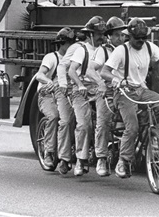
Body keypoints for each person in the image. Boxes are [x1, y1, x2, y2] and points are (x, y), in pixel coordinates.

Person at [101, 18, 159, 179]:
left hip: (141, 90)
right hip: (123, 92)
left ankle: (147, 132)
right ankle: (123, 161)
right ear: (129, 36)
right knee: (131, 127)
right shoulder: (121, 51)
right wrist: (116, 80)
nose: (140, 41)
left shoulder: (149, 47)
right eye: (137, 38)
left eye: (143, 38)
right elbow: (104, 72)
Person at [67, 16, 107, 176]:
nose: (101, 38)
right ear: (90, 34)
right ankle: (80, 159)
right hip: (81, 88)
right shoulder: (81, 50)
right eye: (98, 35)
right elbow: (71, 70)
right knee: (84, 124)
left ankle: (101, 158)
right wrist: (80, 84)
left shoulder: (104, 50)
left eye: (103, 35)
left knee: (103, 121)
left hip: (98, 88)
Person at [90, 16, 126, 176]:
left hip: (124, 91)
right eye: (116, 35)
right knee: (103, 122)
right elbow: (91, 69)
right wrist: (102, 84)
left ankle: (125, 158)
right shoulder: (102, 51)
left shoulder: (127, 50)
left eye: (122, 34)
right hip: (106, 91)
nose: (120, 38)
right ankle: (101, 158)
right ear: (108, 36)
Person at [35, 27, 75, 169]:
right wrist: (49, 82)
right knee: (54, 116)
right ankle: (49, 152)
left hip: (67, 95)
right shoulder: (52, 57)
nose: (72, 46)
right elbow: (39, 75)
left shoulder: (75, 59)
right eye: (69, 43)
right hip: (48, 94)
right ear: (62, 43)